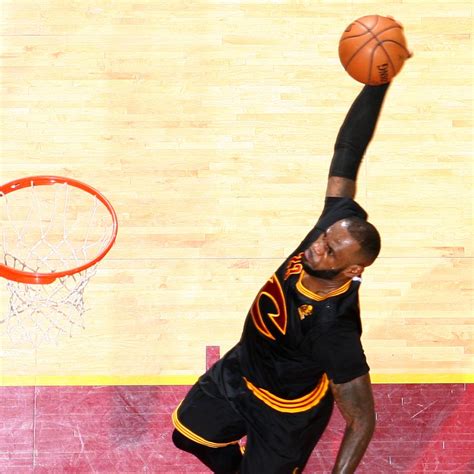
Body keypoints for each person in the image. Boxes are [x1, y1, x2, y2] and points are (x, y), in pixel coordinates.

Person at [172, 82, 391, 473]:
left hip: (285, 415)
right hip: (240, 371)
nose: (317, 247)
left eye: (330, 251)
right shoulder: (331, 228)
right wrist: (378, 83)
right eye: (324, 237)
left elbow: (361, 421)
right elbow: (348, 150)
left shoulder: (334, 330)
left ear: (353, 270)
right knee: (187, 436)